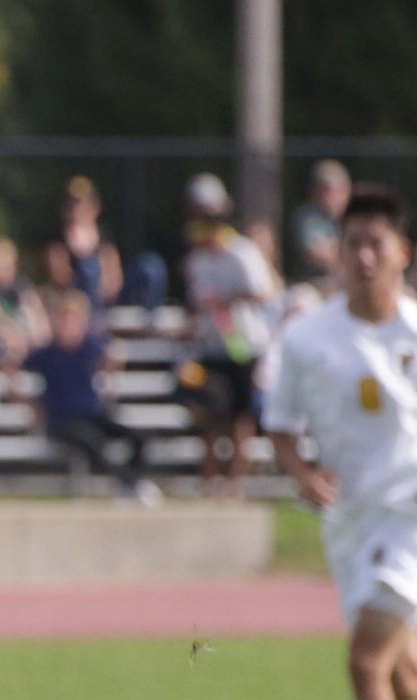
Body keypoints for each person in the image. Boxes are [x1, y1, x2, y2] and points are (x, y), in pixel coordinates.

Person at [264, 185, 417, 700]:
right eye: (352, 242)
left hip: (410, 514)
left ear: (403, 253)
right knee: (400, 680)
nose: (363, 256)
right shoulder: (307, 338)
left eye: (376, 243)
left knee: (363, 662)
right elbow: (278, 426)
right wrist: (302, 473)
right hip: (350, 523)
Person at [176, 173, 279, 499]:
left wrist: (225, 301)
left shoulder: (241, 252)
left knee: (240, 416)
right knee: (210, 414)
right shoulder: (197, 259)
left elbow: (264, 293)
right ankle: (209, 479)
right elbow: (195, 301)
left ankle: (235, 482)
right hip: (212, 344)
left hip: (242, 344)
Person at [15, 290, 154, 503]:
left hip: (90, 414)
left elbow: (113, 354)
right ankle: (131, 485)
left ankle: (129, 484)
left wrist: (109, 375)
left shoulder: (89, 347)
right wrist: (30, 404)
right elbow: (11, 367)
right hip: (61, 421)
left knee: (138, 438)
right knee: (91, 442)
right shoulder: (46, 354)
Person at [44, 176, 166, 313]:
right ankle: (91, 320)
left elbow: (115, 274)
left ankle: (150, 318)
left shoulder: (104, 237)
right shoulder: (58, 241)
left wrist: (105, 286)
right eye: (73, 205)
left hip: (110, 296)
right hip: (76, 300)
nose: (79, 209)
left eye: (85, 204)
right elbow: (60, 278)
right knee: (88, 269)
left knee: (150, 265)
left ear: (95, 207)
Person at [0, 237, 48, 360]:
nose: (0, 271)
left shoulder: (25, 291)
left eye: (6, 266)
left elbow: (41, 332)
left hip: (31, 353)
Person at [293, 160, 352, 289]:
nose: (331, 196)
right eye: (324, 190)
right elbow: (316, 254)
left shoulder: (356, 217)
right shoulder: (307, 217)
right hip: (316, 283)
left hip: (351, 281)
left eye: (338, 190)